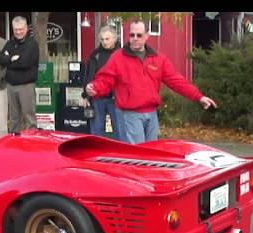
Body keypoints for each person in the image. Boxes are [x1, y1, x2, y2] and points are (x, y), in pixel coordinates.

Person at [86, 20, 217, 144]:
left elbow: (176, 80)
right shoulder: (118, 58)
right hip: (130, 115)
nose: (135, 38)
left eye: (139, 35)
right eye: (132, 35)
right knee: (137, 155)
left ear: (147, 36)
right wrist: (94, 87)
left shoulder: (158, 59)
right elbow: (105, 78)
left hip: (151, 114)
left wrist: (198, 96)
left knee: (151, 154)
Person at [0, 16, 39, 133]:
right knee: (14, 118)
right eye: (16, 29)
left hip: (26, 86)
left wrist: (8, 59)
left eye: (21, 29)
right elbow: (0, 59)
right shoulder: (10, 43)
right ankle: (14, 142)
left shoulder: (32, 44)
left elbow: (24, 63)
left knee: (29, 117)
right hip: (11, 85)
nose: (18, 32)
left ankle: (31, 142)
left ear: (26, 28)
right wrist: (12, 59)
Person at [82, 25, 123, 140]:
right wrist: (85, 95)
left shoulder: (122, 55)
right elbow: (88, 75)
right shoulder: (95, 54)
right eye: (102, 39)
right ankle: (97, 155)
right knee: (96, 131)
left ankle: (119, 154)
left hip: (116, 98)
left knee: (119, 130)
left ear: (115, 39)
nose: (104, 42)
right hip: (97, 97)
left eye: (107, 39)